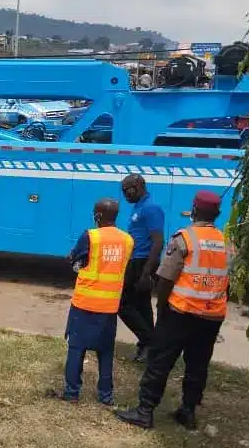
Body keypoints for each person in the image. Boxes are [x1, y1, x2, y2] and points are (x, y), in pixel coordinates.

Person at [116, 190, 230, 430]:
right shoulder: (227, 242)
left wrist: (161, 308)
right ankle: (188, 412)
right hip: (212, 316)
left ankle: (144, 411)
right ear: (217, 214)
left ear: (194, 210)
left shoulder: (184, 239)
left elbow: (166, 278)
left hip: (180, 313)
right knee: (198, 364)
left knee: (159, 361)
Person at [49, 199, 134, 404]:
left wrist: (74, 259)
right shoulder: (127, 240)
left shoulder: (91, 236)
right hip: (110, 306)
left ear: (98, 216)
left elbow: (74, 257)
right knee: (105, 351)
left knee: (77, 348)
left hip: (85, 303)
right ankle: (106, 395)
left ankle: (72, 393)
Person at [120, 175, 164, 362]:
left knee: (122, 305)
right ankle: (147, 347)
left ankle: (151, 342)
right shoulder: (139, 207)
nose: (125, 195)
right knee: (142, 306)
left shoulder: (151, 208)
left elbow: (158, 241)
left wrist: (147, 273)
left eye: (126, 190)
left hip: (141, 262)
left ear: (138, 186)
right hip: (135, 261)